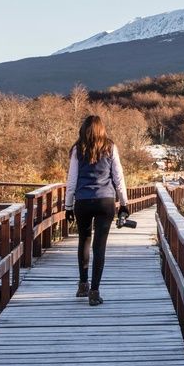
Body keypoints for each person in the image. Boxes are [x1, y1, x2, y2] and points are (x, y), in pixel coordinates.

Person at [64, 115, 129, 306]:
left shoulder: (78, 149)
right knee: (99, 247)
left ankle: (83, 284)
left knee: (83, 240)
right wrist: (124, 203)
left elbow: (72, 180)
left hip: (83, 201)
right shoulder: (110, 147)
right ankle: (94, 292)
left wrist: (68, 205)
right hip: (105, 201)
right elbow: (118, 177)